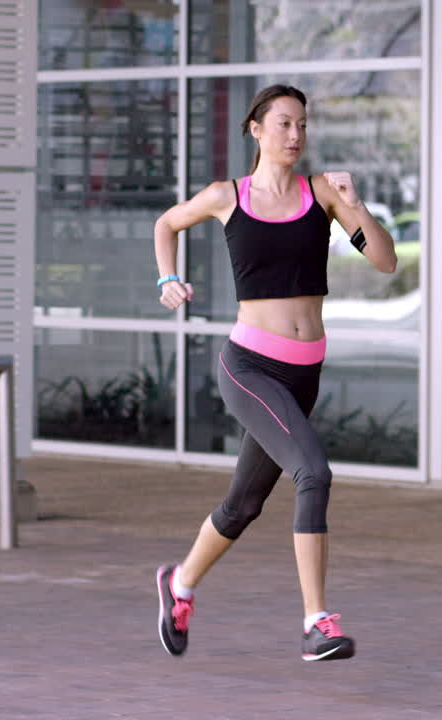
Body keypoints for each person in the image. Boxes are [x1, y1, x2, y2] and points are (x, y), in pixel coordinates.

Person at [152, 84, 397, 662]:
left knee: (243, 504)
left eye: (303, 126)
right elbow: (166, 224)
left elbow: (386, 262)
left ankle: (179, 584)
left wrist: (354, 204)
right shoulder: (226, 195)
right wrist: (168, 280)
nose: (296, 136)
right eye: (284, 124)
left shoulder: (324, 197)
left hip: (302, 374)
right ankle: (318, 622)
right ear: (256, 130)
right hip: (249, 367)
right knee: (313, 473)